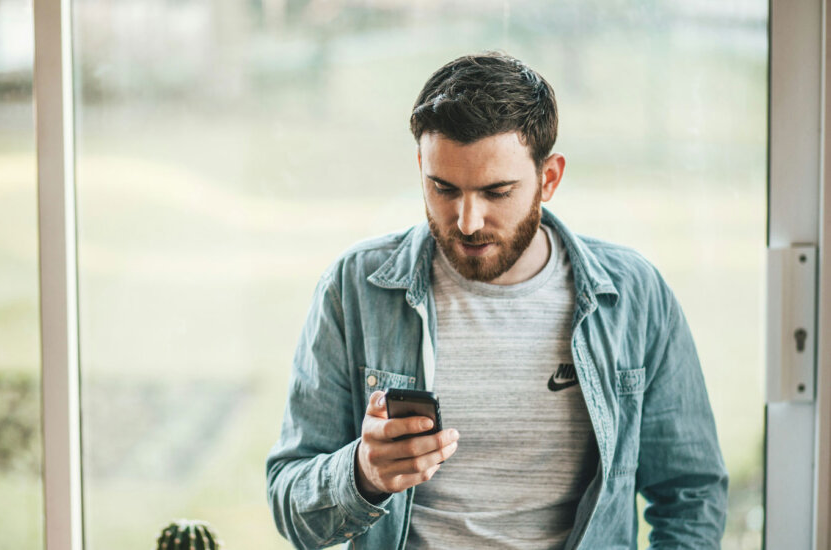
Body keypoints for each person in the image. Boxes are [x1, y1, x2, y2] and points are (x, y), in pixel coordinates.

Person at [266, 51, 728, 549]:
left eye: (497, 192)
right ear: (421, 165)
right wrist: (362, 474)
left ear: (548, 178)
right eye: (443, 188)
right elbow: (291, 506)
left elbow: (690, 494)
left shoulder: (635, 295)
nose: (466, 220)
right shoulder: (355, 288)